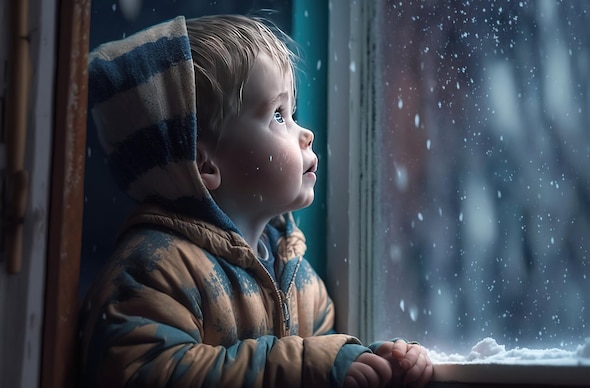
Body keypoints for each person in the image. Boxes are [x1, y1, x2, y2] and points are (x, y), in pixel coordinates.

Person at [79, 14, 433, 387]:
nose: (306, 133)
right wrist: (303, 365)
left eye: (292, 114)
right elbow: (147, 372)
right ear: (204, 164)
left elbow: (321, 357)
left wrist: (377, 361)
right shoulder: (154, 268)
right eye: (278, 116)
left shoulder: (298, 276)